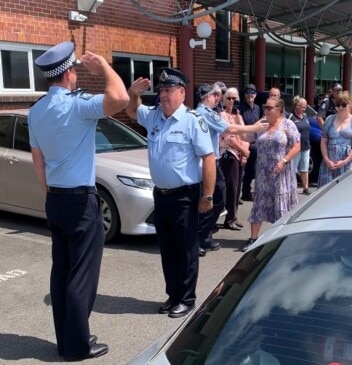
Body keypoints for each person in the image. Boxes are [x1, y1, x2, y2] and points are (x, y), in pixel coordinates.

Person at [28, 41, 129, 361]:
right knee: (81, 276)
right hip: (80, 201)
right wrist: (103, 67)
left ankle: (68, 337)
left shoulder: (36, 110)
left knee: (62, 273)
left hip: (55, 199)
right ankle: (77, 346)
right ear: (69, 73)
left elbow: (38, 161)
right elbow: (121, 98)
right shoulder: (78, 104)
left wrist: (48, 195)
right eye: (75, 71)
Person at [125, 68, 216, 319]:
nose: (163, 95)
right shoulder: (154, 117)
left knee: (186, 249)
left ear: (182, 93)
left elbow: (208, 159)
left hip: (185, 195)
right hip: (161, 195)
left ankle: (186, 299)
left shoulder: (193, 120)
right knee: (167, 248)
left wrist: (207, 196)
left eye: (168, 90)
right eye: (161, 90)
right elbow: (132, 110)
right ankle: (173, 295)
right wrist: (133, 93)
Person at [195, 84, 268, 256]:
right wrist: (254, 128)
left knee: (218, 199)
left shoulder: (205, 112)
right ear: (207, 97)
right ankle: (198, 238)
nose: (218, 98)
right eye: (216, 95)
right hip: (208, 162)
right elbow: (229, 129)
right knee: (215, 199)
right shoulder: (205, 112)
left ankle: (204, 238)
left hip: (213, 161)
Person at [242, 97, 301, 252]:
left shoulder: (288, 124)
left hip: (280, 172)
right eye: (264, 107)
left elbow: (297, 145)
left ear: (279, 109)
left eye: (269, 108)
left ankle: (279, 239)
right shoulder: (262, 124)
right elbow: (247, 137)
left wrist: (284, 160)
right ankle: (253, 239)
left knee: (280, 206)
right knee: (259, 205)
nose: (266, 110)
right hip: (262, 173)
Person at [220, 87, 251, 230]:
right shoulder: (222, 116)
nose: (232, 101)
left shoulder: (238, 116)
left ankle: (234, 216)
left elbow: (245, 135)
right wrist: (243, 150)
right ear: (224, 99)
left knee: (237, 188)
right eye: (229, 98)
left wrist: (245, 151)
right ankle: (229, 218)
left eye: (234, 98)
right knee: (231, 188)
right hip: (229, 154)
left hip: (240, 155)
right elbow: (229, 138)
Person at [317, 91, 352, 188]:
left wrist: (345, 161)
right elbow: (323, 140)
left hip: (347, 164)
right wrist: (326, 159)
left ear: (349, 104)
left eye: (343, 104)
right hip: (329, 163)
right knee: (325, 193)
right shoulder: (330, 119)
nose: (340, 107)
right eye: (338, 104)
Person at [239, 83, 261, 201]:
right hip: (243, 143)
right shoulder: (240, 108)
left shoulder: (257, 108)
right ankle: (238, 195)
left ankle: (246, 192)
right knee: (241, 170)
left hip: (254, 144)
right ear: (244, 95)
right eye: (247, 93)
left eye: (252, 92)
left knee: (251, 170)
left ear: (255, 95)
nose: (250, 95)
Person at [288, 96, 311, 195]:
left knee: (305, 168)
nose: (304, 108)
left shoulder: (305, 116)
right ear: (297, 106)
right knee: (293, 168)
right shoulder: (291, 117)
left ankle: (306, 187)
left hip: (306, 146)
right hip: (295, 147)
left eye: (305, 106)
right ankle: (291, 187)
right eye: (303, 106)